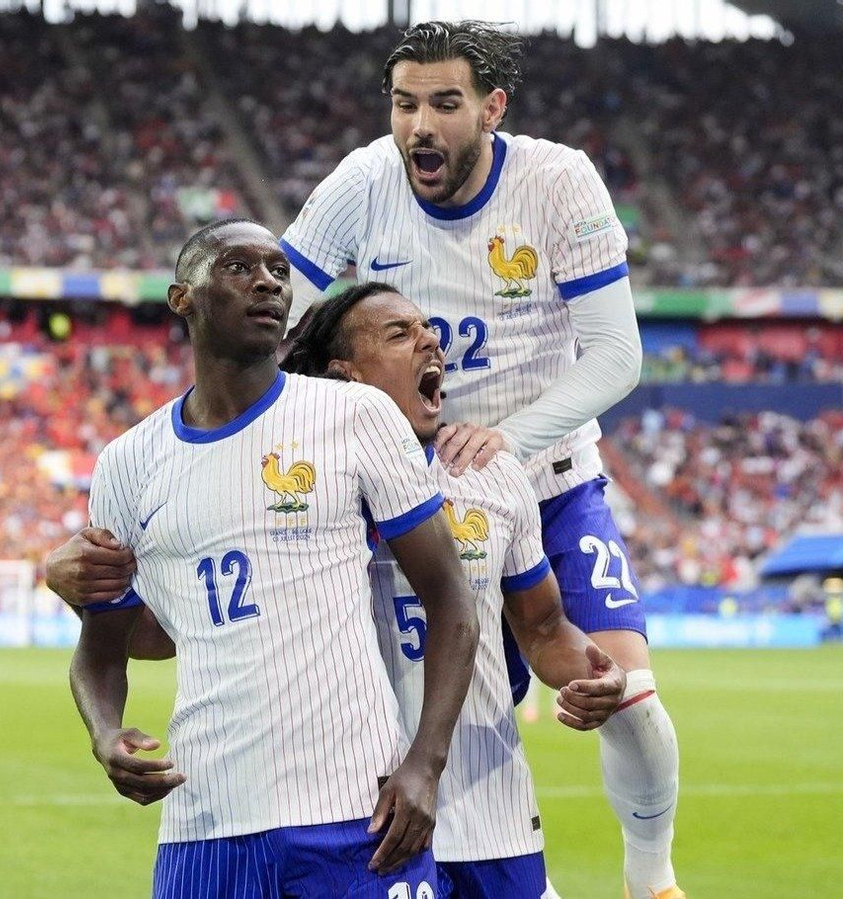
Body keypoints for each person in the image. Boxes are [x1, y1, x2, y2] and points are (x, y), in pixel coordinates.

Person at [275, 23, 685, 897]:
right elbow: (275, 323)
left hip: (549, 482)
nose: (420, 124)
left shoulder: (558, 181)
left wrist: (509, 441)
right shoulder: (361, 183)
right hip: (413, 502)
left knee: (628, 694)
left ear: (493, 108)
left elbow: (617, 356)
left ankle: (651, 877)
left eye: (445, 103)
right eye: (404, 102)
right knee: (390, 719)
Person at [73, 281, 631, 897]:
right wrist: (76, 583)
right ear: (347, 376)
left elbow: (545, 628)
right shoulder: (286, 482)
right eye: (399, 334)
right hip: (349, 809)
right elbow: (173, 628)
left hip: (484, 812)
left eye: (427, 329)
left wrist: (591, 673)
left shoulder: (490, 475)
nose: (430, 340)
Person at [67, 220, 480, 896]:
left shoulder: (354, 416)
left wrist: (425, 764)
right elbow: (100, 646)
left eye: (278, 270)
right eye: (238, 267)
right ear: (183, 299)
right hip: (205, 820)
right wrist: (105, 731)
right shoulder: (126, 463)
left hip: (357, 813)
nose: (267, 281)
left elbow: (451, 601)